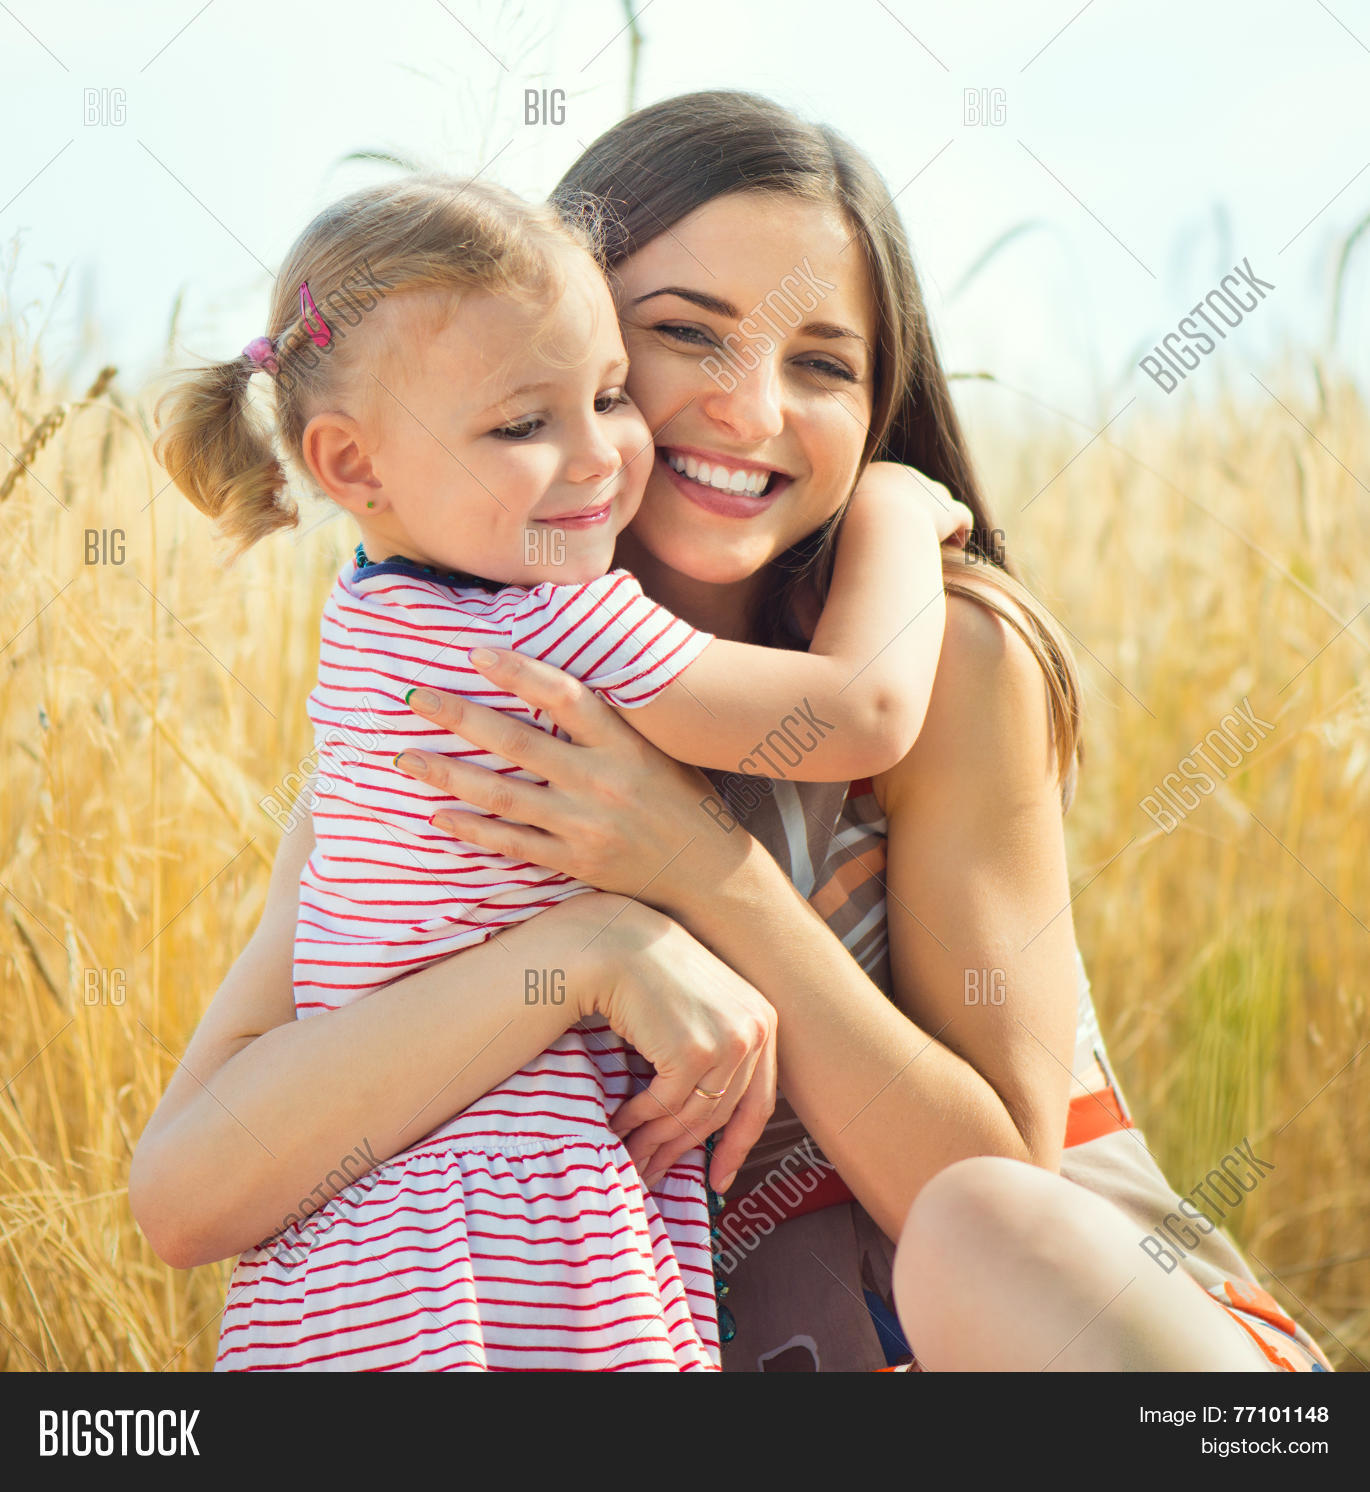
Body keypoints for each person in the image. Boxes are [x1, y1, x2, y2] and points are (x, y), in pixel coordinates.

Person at [131, 90, 1331, 1372]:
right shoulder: (463, 712)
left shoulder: (947, 664)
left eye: (820, 363)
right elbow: (192, 1192)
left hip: (1070, 1346)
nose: (750, 407)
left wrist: (694, 865)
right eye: (684, 336)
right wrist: (590, 946)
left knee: (985, 1226)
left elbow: (988, 1195)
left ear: (877, 411)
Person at [144, 172, 967, 1371]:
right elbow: (863, 708)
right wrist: (893, 507)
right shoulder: (546, 626)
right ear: (353, 466)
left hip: (341, 1263)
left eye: (609, 395)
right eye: (522, 425)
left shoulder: (373, 625)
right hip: (515, 1234)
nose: (597, 457)